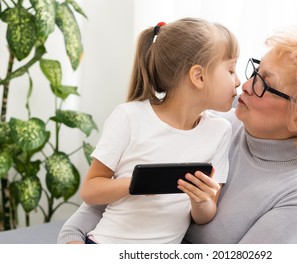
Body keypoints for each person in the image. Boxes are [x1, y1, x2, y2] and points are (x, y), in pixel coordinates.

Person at [58, 27, 297, 244]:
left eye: (265, 84)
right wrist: (72, 241)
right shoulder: (216, 122)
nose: (246, 86)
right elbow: (106, 198)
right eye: (255, 71)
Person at [76, 17, 241, 244]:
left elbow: (204, 216)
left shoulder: (220, 131)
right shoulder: (129, 117)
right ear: (199, 76)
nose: (239, 81)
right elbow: (90, 191)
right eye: (231, 70)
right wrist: (137, 183)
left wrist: (201, 202)